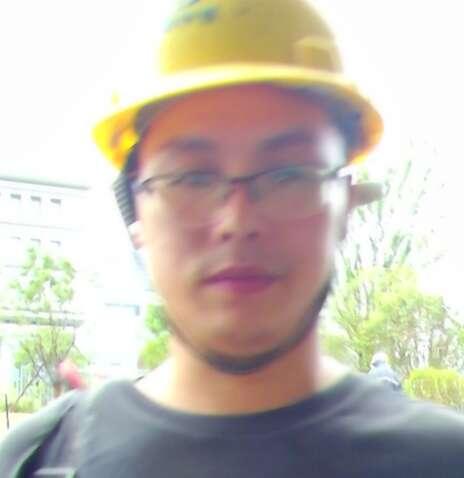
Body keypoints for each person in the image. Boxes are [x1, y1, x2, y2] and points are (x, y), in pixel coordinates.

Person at [2, 0, 464, 476]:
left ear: (345, 204)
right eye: (192, 178)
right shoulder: (39, 460)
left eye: (288, 175)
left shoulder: (443, 460)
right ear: (136, 213)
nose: (238, 221)